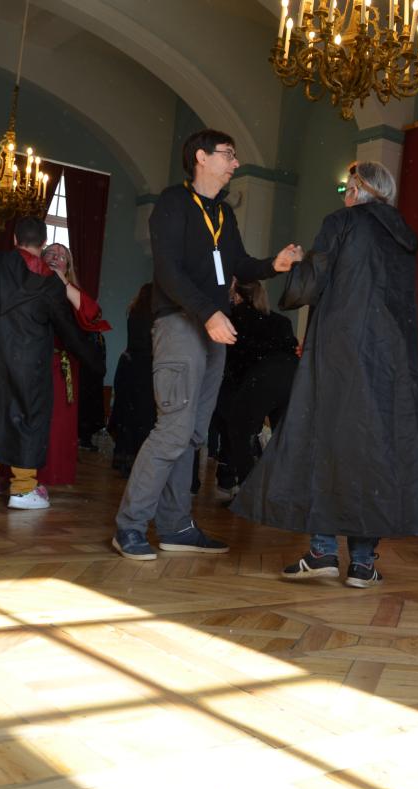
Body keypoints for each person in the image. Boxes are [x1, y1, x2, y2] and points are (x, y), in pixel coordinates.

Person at [231, 161, 418, 588]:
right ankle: (362, 562)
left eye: (347, 187)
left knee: (324, 439)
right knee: (374, 450)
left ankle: (322, 551)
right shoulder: (405, 237)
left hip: (341, 349)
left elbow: (311, 284)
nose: (345, 194)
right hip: (390, 359)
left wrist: (298, 263)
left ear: (359, 190)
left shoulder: (342, 222)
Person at [112, 129, 301, 561]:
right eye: (228, 155)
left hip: (213, 331)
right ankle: (130, 527)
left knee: (193, 434)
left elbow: (239, 264)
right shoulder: (173, 204)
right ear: (201, 157)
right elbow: (168, 272)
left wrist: (273, 264)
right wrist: (209, 313)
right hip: (182, 324)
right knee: (173, 430)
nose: (235, 163)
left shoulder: (223, 213)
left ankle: (176, 526)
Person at [0, 216, 105, 509]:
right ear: (43, 243)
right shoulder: (51, 284)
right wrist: (94, 361)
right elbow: (67, 327)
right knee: (27, 421)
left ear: (14, 239)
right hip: (29, 364)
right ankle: (23, 490)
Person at [213, 279, 299, 493]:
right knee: (283, 437)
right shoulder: (280, 321)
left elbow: (234, 362)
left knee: (239, 431)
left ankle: (248, 491)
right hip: (290, 375)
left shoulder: (233, 320)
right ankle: (285, 490)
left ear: (237, 297)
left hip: (260, 376)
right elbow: (291, 348)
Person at [37, 242, 111, 488]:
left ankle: (47, 476)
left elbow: (92, 314)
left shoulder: (71, 291)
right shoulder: (30, 284)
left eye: (62, 256)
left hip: (60, 365)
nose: (55, 257)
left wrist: (62, 282)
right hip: (31, 361)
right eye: (51, 252)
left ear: (68, 266)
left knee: (55, 422)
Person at [109, 283, 156, 477]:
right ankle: (136, 461)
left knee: (126, 413)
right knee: (143, 416)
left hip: (129, 364)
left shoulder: (134, 313)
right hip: (146, 367)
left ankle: (123, 456)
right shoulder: (154, 317)